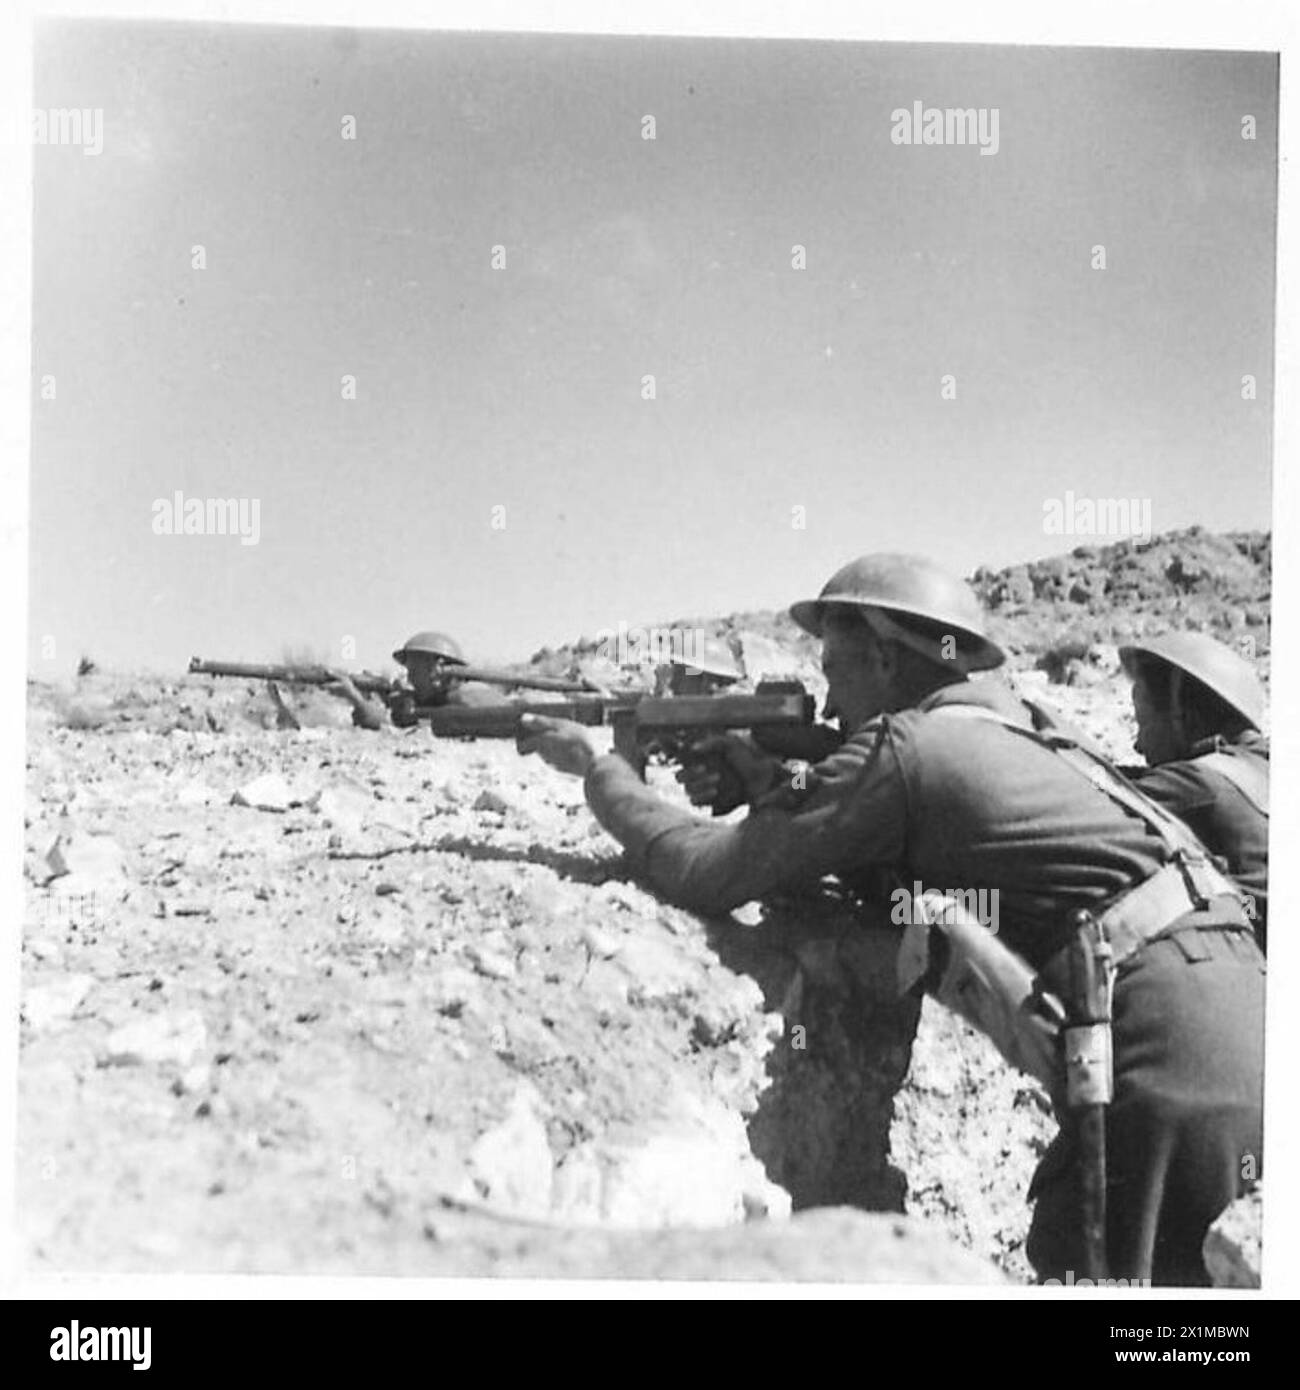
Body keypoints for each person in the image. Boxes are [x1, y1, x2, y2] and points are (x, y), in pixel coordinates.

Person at [517, 553, 1264, 1286]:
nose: (829, 697)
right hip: (1245, 1028)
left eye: (834, 667)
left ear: (881, 654)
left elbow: (705, 871)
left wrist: (599, 770)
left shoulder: (907, 746)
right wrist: (780, 787)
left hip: (1173, 1068)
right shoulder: (1033, 734)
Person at [1119, 633, 1269, 948]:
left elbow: (1083, 796)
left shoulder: (1201, 783)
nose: (1137, 744)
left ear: (1183, 716)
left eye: (1142, 723)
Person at [328, 631, 506, 730]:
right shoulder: (436, 699)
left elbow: (389, 728)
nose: (410, 677)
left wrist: (353, 697)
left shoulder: (467, 697)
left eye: (414, 670)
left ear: (437, 668)